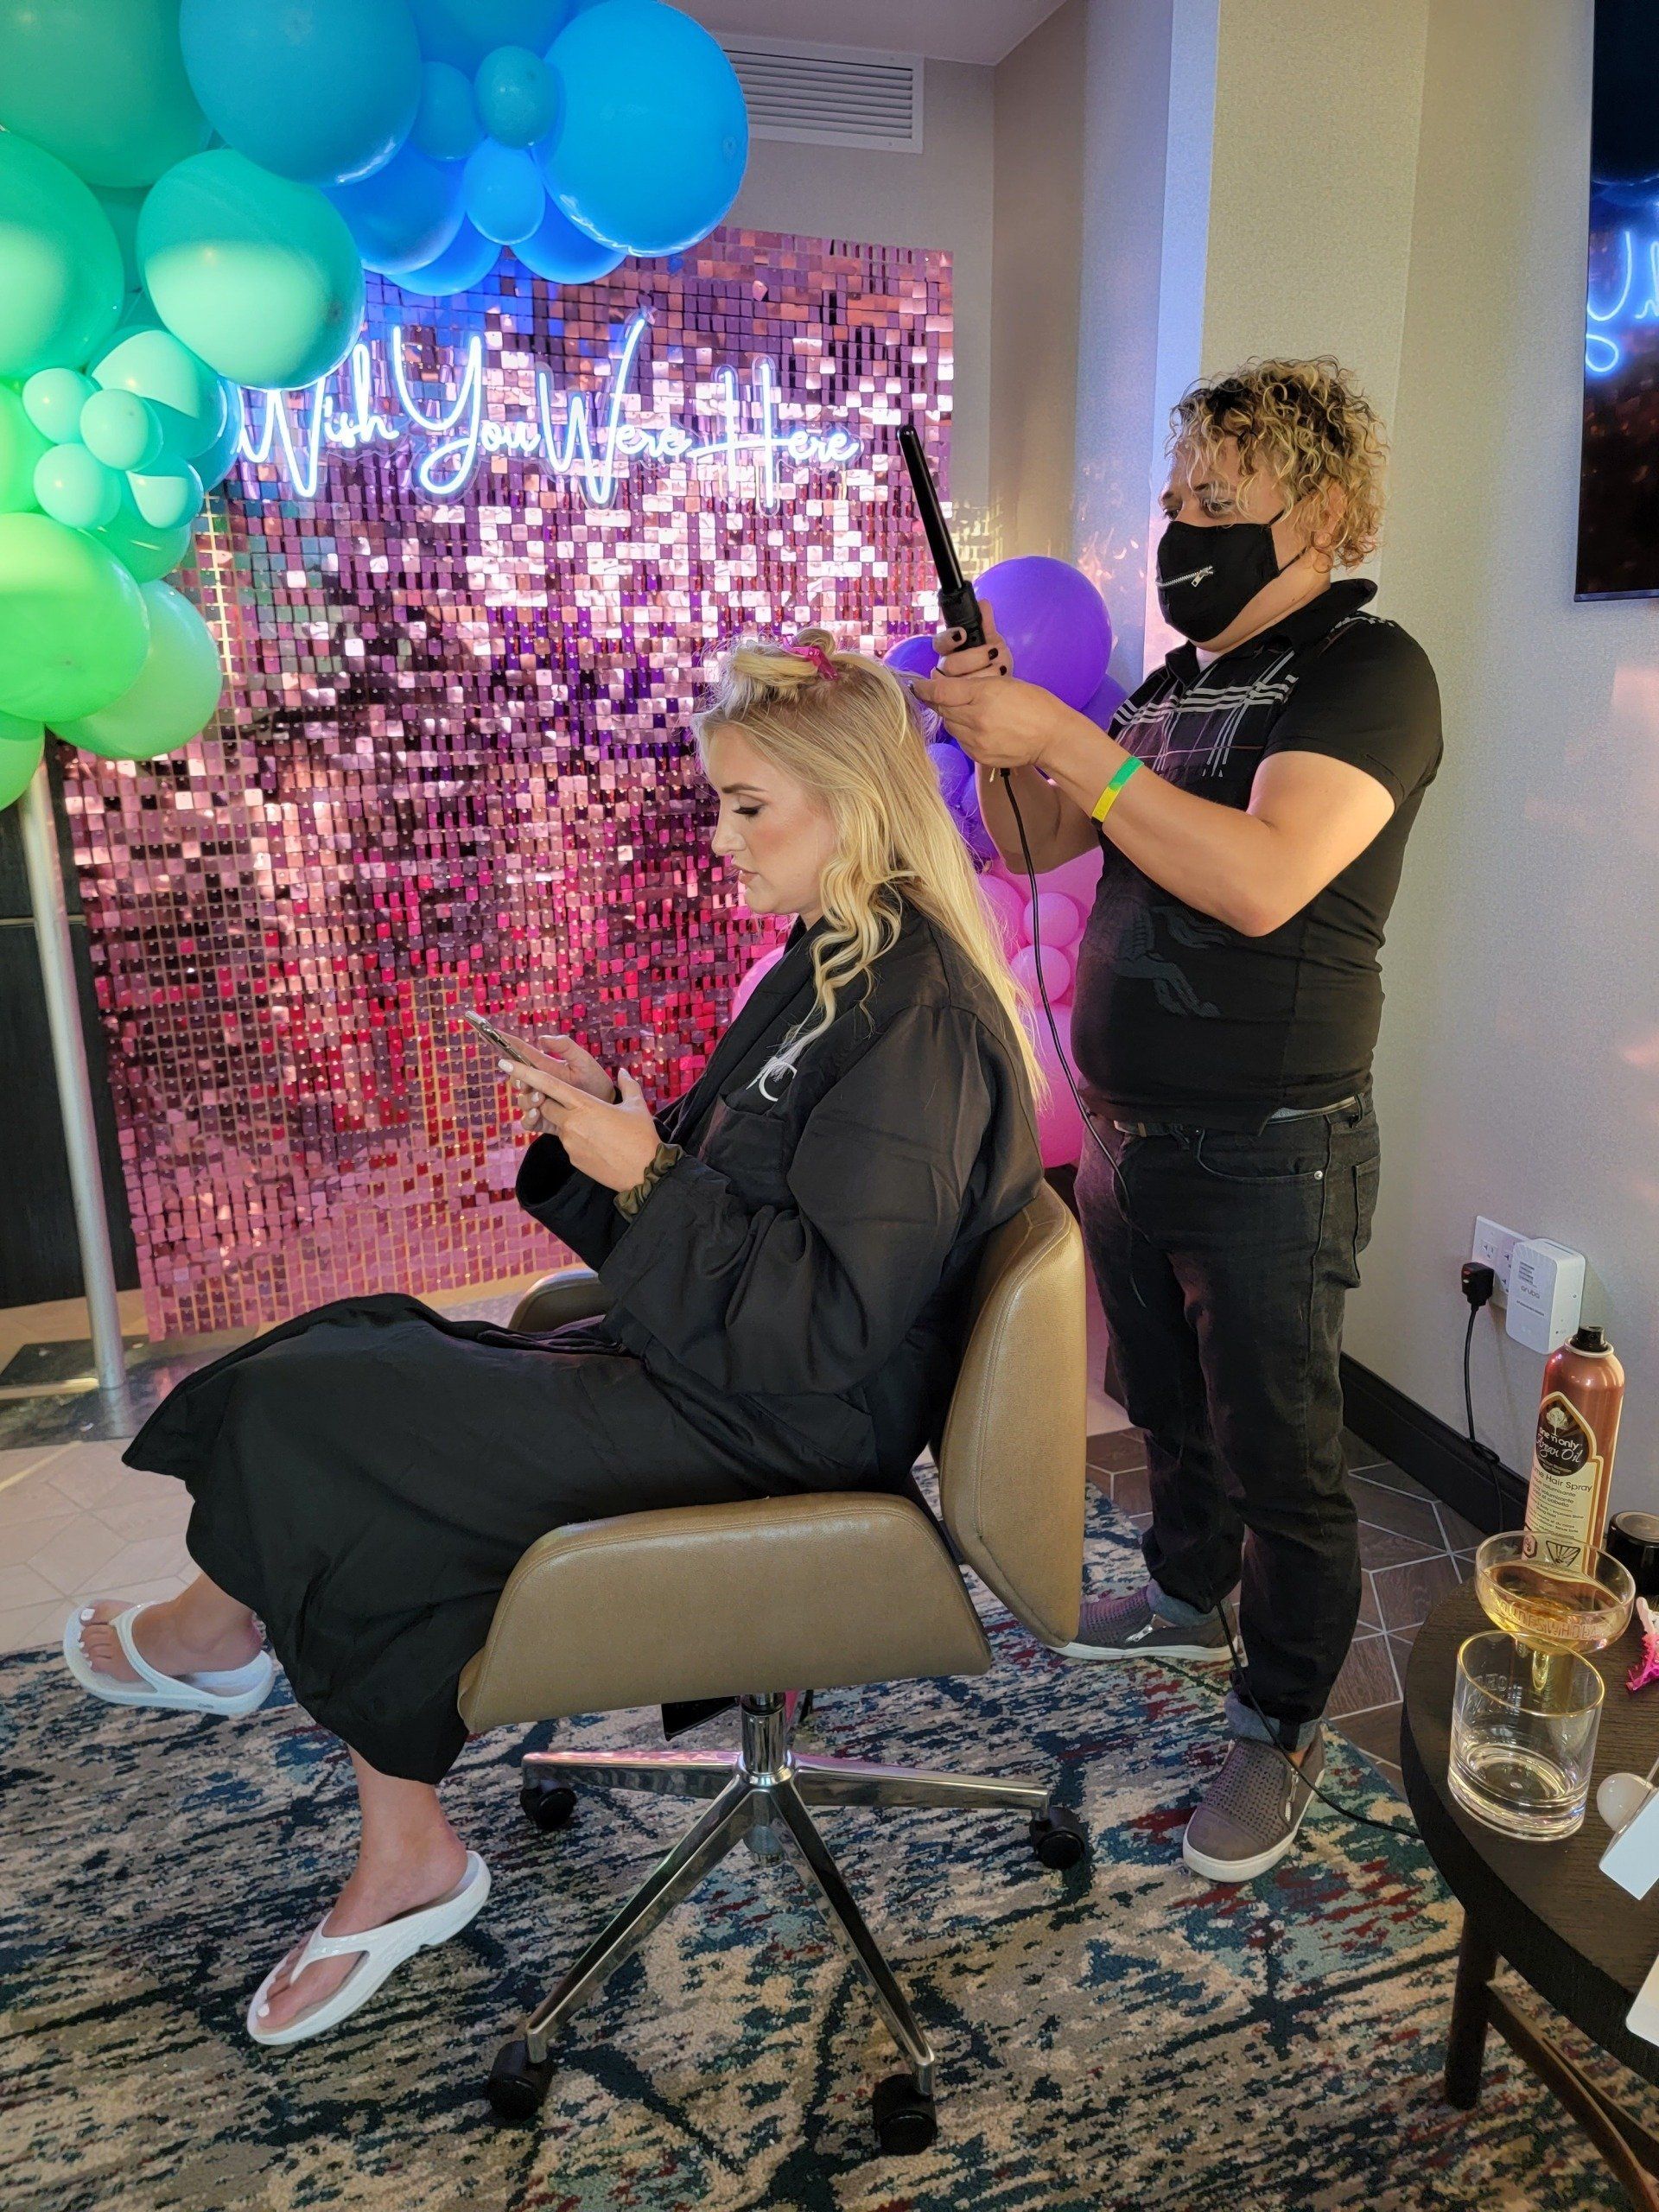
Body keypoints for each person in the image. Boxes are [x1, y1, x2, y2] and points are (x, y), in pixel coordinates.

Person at [64, 631, 1045, 2042]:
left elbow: (825, 1316)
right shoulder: (841, 961)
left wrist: (645, 1171)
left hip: (771, 1430)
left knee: (330, 1406)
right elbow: (740, 1193)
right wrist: (615, 1130)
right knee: (352, 1348)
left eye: (747, 806)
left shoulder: (919, 1017)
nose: (720, 839)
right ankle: (396, 1843)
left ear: (858, 803)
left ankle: (232, 1647)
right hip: (716, 1377)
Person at [917, 359, 1442, 1884]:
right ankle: (1189, 1585)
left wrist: (1070, 738)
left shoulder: (1367, 671)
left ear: (1324, 509)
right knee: (1166, 1409)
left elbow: (1266, 877)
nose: (1181, 530)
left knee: (1286, 1451)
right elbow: (1041, 843)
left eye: (1219, 501)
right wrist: (992, 740)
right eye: (1173, 504)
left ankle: (1280, 1726)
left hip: (1279, 1143)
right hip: (1136, 1131)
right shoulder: (1174, 686)